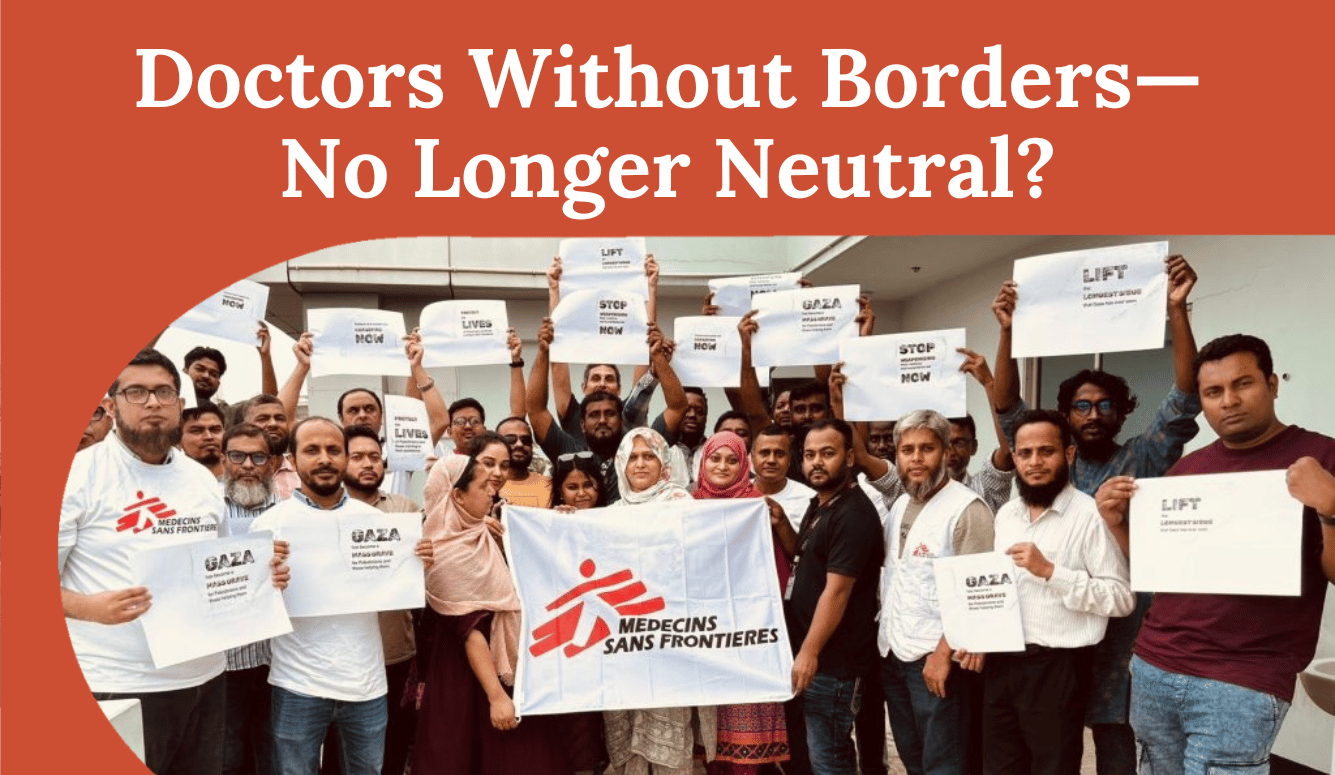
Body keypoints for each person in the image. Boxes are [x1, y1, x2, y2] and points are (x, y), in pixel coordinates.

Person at [989, 254, 1201, 775]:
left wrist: (1177, 313)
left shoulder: (1143, 456)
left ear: (1122, 412)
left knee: (1113, 732)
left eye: (1105, 404)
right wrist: (1009, 332)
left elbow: (1185, 398)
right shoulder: (1043, 463)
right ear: (1065, 420)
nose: (1093, 413)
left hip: (1121, 626)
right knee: (1039, 745)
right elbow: (1006, 407)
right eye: (1081, 405)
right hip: (1043, 638)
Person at [1093, 334, 1335, 775]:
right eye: (1213, 392)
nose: (1229, 401)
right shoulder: (1187, 468)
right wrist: (1116, 523)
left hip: (1242, 679)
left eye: (1243, 384)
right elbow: (1156, 568)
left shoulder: (1323, 458)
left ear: (1273, 384)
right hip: (1154, 665)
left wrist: (1331, 509)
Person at [60, 348, 288, 775]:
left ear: (179, 405)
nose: (152, 402)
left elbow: (215, 565)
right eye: (137, 392)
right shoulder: (76, 477)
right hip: (118, 685)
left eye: (164, 392)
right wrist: (87, 608)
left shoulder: (201, 480)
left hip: (206, 681)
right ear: (111, 405)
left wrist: (261, 574)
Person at [250, 417, 426, 775]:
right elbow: (247, 614)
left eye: (333, 450)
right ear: (292, 458)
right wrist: (262, 584)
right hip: (296, 684)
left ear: (345, 457)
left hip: (366, 684)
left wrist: (418, 564)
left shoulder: (375, 522)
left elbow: (401, 592)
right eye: (312, 450)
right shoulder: (268, 526)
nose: (324, 459)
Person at [986, 410, 1134, 775]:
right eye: (1025, 453)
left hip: (1058, 668)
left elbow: (1121, 598)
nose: (1034, 462)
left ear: (1068, 454)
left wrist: (1052, 573)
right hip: (1001, 664)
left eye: (1045, 451)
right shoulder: (1006, 515)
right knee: (999, 766)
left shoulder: (1090, 516)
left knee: (1053, 768)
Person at [413, 455, 571, 775]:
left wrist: (559, 522)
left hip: (503, 665)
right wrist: (497, 697)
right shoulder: (446, 549)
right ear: (457, 496)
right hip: (471, 677)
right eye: (484, 486)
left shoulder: (479, 531)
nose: (492, 493)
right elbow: (470, 629)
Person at [878, 411, 994, 775]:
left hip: (937, 660)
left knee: (945, 764)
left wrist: (943, 654)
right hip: (895, 653)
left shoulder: (968, 510)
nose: (916, 458)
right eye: (907, 449)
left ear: (945, 452)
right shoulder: (899, 505)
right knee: (914, 759)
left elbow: (977, 594)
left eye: (926, 448)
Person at [604, 427, 717, 775]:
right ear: (621, 463)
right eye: (633, 456)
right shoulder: (610, 512)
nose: (640, 464)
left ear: (664, 462)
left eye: (649, 456)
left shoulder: (681, 504)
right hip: (624, 640)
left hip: (668, 636)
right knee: (628, 725)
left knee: (668, 725)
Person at [786, 419, 885, 775]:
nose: (816, 462)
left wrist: (809, 653)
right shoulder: (821, 503)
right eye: (810, 454)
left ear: (849, 457)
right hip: (819, 657)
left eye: (827, 454)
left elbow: (838, 590)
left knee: (830, 759)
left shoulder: (854, 513)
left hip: (834, 661)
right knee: (825, 754)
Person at [693, 431, 791, 775]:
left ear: (744, 464)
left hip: (746, 638)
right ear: (702, 462)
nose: (722, 466)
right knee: (710, 741)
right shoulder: (687, 507)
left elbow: (780, 570)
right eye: (715, 458)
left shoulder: (757, 507)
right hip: (701, 638)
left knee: (748, 750)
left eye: (732, 459)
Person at [329, 425, 423, 775]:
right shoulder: (323, 513)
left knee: (394, 739)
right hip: (341, 652)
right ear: (340, 461)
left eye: (374, 457)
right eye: (357, 457)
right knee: (342, 746)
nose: (368, 464)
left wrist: (424, 556)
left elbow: (424, 575)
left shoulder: (406, 508)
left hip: (394, 649)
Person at [528, 318, 687, 504]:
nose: (602, 420)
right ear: (582, 423)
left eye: (609, 414)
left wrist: (658, 357)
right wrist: (543, 352)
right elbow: (536, 410)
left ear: (621, 419)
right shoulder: (570, 452)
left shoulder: (639, 447)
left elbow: (678, 407)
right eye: (594, 415)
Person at [218, 423, 282, 775]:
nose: (247, 465)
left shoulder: (292, 511)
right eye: (237, 456)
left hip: (279, 659)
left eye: (257, 456)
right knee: (228, 757)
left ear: (272, 463)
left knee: (274, 754)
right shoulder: (206, 508)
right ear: (224, 459)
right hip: (225, 662)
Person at [240, 394, 299, 500]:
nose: (273, 424)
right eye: (263, 419)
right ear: (245, 427)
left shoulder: (302, 473)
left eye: (280, 419)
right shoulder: (233, 475)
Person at [496, 416, 552, 508]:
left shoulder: (550, 486)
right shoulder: (487, 486)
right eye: (510, 440)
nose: (519, 444)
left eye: (525, 440)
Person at [180, 402, 227, 479]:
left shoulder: (243, 478)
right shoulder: (172, 483)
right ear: (179, 439)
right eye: (197, 431)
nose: (209, 437)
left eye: (215, 430)